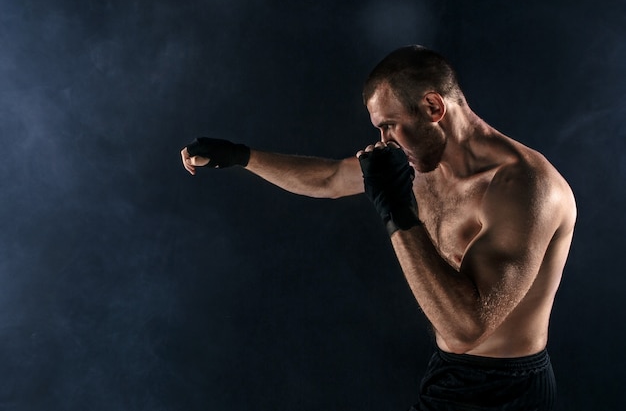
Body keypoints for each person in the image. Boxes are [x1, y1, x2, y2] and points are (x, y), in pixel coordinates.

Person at [180, 45, 576, 410]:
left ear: (433, 106)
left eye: (390, 125)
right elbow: (331, 178)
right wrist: (240, 156)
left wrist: (395, 209)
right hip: (447, 375)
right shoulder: (422, 161)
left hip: (512, 391)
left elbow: (466, 328)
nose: (383, 140)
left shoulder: (525, 187)